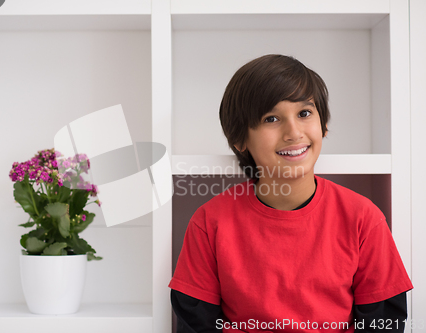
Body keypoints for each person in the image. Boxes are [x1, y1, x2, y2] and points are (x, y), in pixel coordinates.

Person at [169, 54, 413, 332]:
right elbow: (195, 321)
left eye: (304, 113)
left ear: (323, 125)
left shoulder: (363, 218)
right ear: (239, 139)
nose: (293, 132)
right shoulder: (209, 222)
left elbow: (385, 321)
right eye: (271, 118)